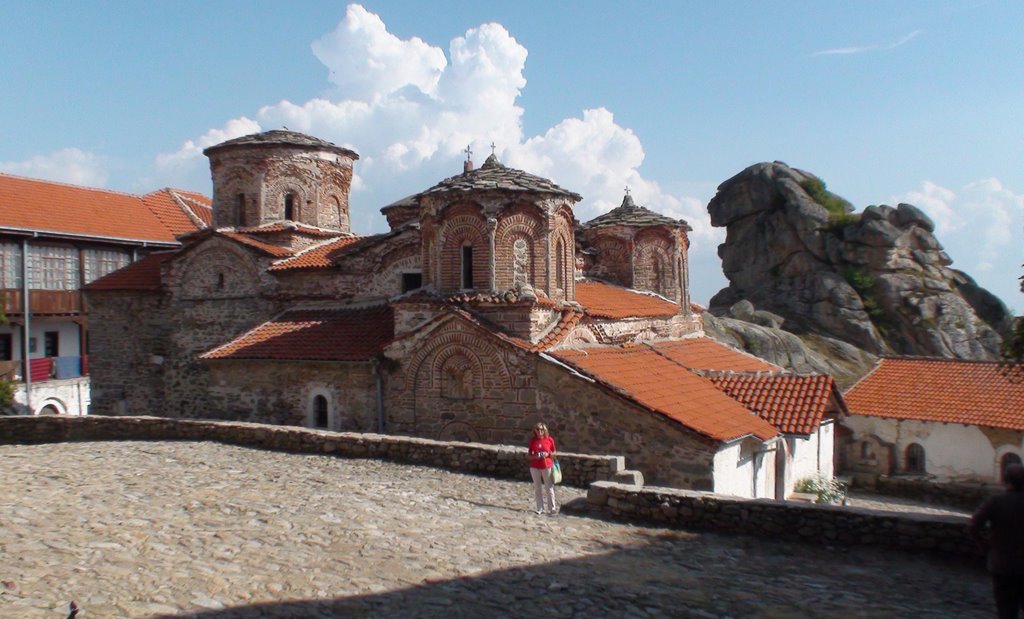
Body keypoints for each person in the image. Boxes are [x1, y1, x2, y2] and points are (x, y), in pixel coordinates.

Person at [969, 463, 1024, 619]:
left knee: (1006, 611)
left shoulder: (997, 501)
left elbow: (974, 525)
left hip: (1002, 565)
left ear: (1006, 480)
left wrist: (985, 547)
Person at [528, 422, 558, 515]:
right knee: (538, 488)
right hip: (535, 467)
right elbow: (529, 455)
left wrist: (548, 454)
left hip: (546, 466)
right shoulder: (533, 441)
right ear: (535, 430)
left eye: (542, 429)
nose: (540, 431)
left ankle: (552, 508)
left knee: (549, 487)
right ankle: (540, 508)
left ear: (545, 430)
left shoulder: (549, 440)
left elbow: (554, 452)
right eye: (538, 429)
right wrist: (535, 456)